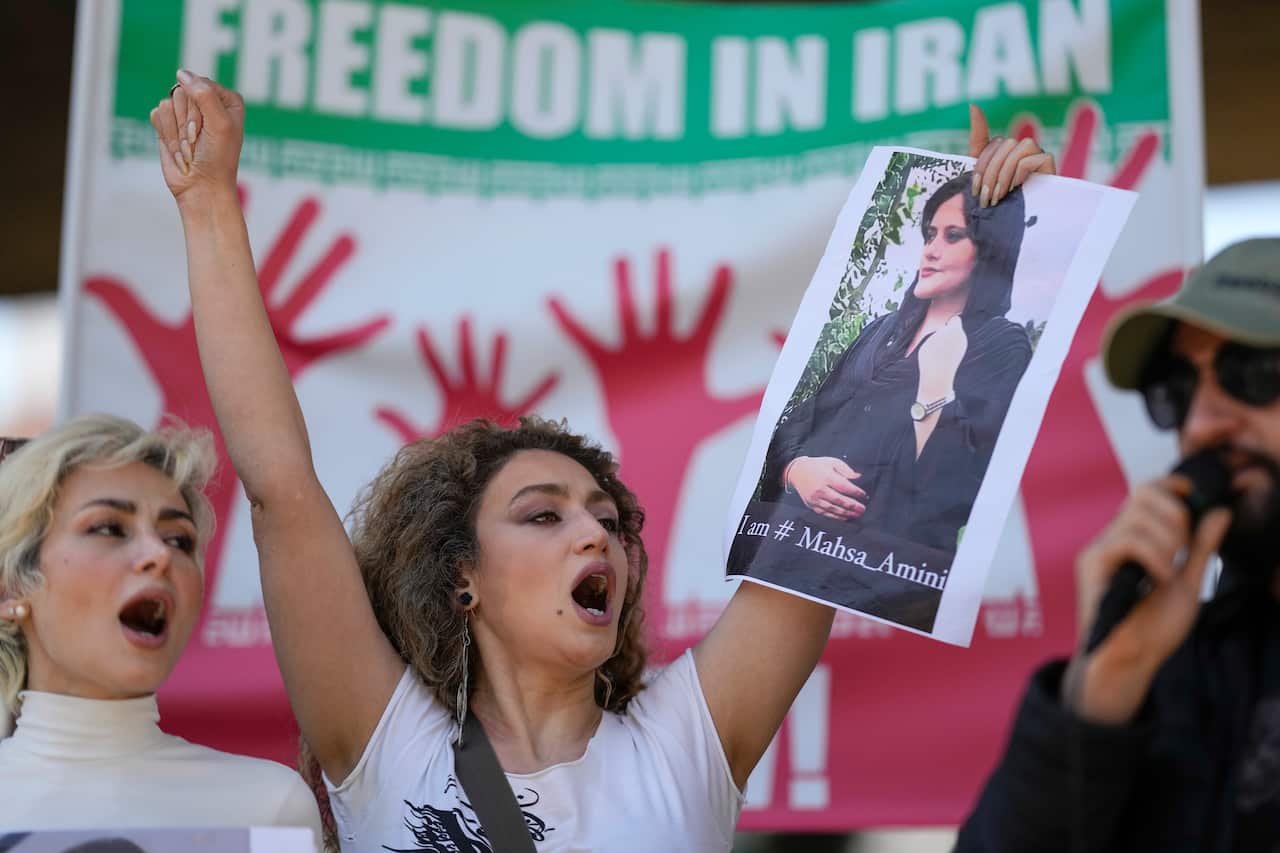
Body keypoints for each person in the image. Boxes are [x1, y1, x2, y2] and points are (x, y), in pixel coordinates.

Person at [153, 70, 1052, 852]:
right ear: (459, 575)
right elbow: (277, 485)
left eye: (611, 520)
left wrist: (1005, 229)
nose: (599, 533)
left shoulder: (687, 743)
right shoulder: (384, 741)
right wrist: (205, 205)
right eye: (545, 513)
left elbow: (863, 454)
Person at [956, 237, 1280, 852]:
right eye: (1178, 391)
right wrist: (1099, 699)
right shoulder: (1170, 672)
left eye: (1253, 373)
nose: (1202, 424)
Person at [0, 414, 322, 839]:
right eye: (110, 528)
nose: (160, 554)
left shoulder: (270, 806)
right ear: (12, 588)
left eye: (179, 540)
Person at [762, 167, 1037, 554]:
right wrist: (797, 471)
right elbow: (802, 420)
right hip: (799, 545)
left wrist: (936, 386)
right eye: (930, 234)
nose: (931, 249)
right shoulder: (880, 331)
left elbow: (955, 487)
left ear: (991, 250)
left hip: (894, 572)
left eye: (953, 236)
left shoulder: (1001, 347)